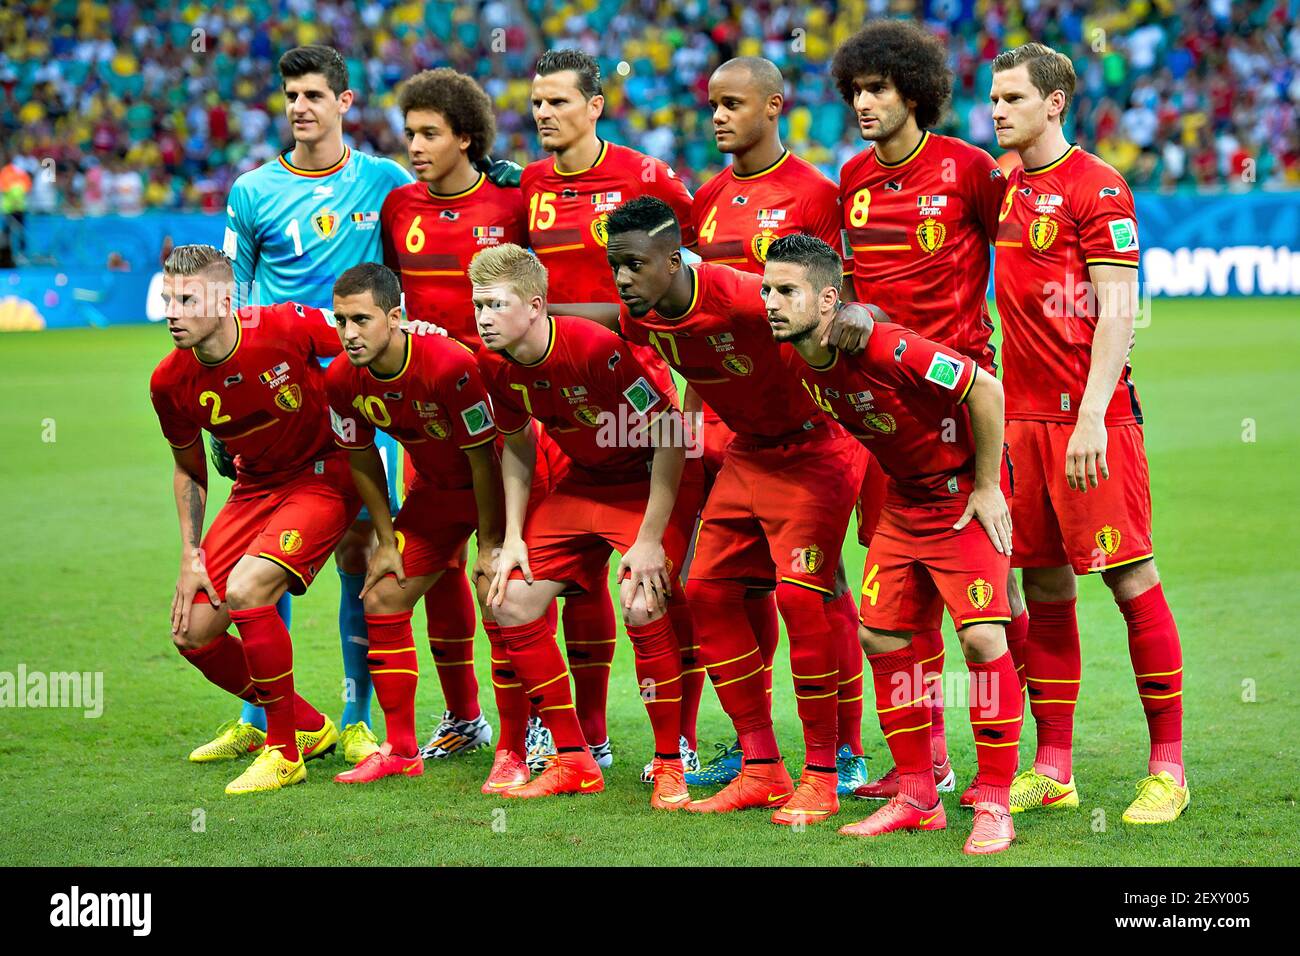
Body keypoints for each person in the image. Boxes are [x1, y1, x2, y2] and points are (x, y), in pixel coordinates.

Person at [604, 196, 868, 827]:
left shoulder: (746, 295)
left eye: (634, 265)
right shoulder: (641, 317)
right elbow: (682, 413)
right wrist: (648, 535)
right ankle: (762, 768)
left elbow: (849, 314)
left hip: (817, 450)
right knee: (705, 591)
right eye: (614, 265)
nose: (621, 279)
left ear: (674, 259)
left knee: (802, 599)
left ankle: (826, 775)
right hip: (748, 455)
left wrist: (858, 314)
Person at [763, 232, 1022, 855]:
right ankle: (917, 796)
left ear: (828, 300)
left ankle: (993, 802)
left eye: (785, 291)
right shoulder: (796, 353)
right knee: (880, 634)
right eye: (767, 289)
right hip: (906, 498)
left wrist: (987, 486)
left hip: (963, 493)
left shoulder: (884, 346)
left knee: (983, 636)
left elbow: (984, 388)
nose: (770, 301)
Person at [830, 18, 1031, 805]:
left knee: (989, 614)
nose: (864, 104)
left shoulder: (970, 170)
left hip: (962, 411)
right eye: (855, 92)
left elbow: (1017, 265)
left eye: (876, 89)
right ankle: (927, 769)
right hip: (889, 430)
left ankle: (1031, 757)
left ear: (914, 91)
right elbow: (846, 296)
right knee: (895, 614)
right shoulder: (850, 178)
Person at [990, 43, 1187, 824]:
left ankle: (1168, 770)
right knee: (1042, 585)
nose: (997, 111)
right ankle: (1054, 765)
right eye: (993, 98)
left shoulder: (1098, 186)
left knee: (1130, 578)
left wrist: (1094, 415)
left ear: (1055, 102)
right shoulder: (1003, 185)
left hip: (1089, 422)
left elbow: (1117, 311)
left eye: (1011, 98)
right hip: (1019, 423)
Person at [209, 45, 413, 767]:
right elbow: (229, 292)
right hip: (272, 400)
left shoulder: (385, 183)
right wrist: (224, 406)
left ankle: (356, 714)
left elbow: (435, 222)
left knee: (361, 547)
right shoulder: (252, 190)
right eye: (291, 94)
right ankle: (265, 714)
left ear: (345, 103)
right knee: (265, 555)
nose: (300, 107)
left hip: (358, 396)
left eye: (314, 95)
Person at [683, 55, 868, 795]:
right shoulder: (708, 199)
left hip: (813, 421)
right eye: (713, 104)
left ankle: (845, 750)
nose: (720, 115)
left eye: (733, 103)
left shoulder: (816, 194)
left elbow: (846, 305)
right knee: (737, 587)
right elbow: (696, 324)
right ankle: (753, 750)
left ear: (774, 106)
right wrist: (692, 415)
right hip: (734, 425)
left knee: (818, 587)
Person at [473, 243, 703, 807]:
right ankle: (574, 758)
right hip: (585, 483)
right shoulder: (494, 362)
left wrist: (650, 539)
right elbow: (518, 444)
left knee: (643, 603)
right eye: (477, 304)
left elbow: (672, 434)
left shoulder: (595, 348)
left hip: (652, 479)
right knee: (508, 599)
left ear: (535, 305)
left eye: (495, 305)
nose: (482, 317)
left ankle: (670, 761)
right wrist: (512, 539)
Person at [519, 48, 698, 773]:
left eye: (558, 102)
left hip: (636, 396)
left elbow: (691, 259)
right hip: (557, 408)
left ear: (596, 106)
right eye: (536, 104)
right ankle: (577, 735)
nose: (544, 115)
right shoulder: (527, 184)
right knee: (561, 575)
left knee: (658, 584)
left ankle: (676, 739)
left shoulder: (647, 178)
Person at [149, 244, 358, 794]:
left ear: (223, 299)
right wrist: (191, 555)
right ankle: (310, 726)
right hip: (253, 489)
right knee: (192, 633)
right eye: (167, 297)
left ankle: (283, 752)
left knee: (247, 590)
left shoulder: (285, 326)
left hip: (323, 474)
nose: (171, 311)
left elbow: (370, 344)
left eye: (186, 299)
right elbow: (189, 472)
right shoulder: (169, 382)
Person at [377, 67, 531, 759]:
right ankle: (465, 718)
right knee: (438, 569)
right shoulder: (399, 208)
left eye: (430, 133)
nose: (414, 145)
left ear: (465, 137)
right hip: (428, 423)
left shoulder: (510, 198)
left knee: (503, 569)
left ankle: (532, 720)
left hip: (502, 414)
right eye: (409, 133)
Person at [324, 262, 507, 785]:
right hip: (434, 491)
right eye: (340, 321)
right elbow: (361, 459)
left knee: (504, 597)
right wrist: (386, 539)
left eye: (361, 320)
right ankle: (404, 749)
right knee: (383, 591)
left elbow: (484, 460)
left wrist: (492, 544)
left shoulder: (449, 364)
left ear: (396, 317)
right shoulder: (341, 378)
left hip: (506, 487)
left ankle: (524, 741)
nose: (349, 334)